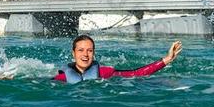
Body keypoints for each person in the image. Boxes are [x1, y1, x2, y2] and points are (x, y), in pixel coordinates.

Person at [53, 35, 182, 84]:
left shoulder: (104, 73)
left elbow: (135, 74)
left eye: (89, 50)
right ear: (73, 53)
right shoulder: (63, 78)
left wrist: (166, 59)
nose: (85, 54)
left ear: (94, 53)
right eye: (81, 50)